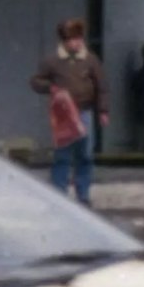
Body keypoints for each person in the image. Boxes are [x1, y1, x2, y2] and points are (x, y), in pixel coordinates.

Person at [31, 18, 108, 206]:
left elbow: (102, 86)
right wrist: (51, 87)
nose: (77, 43)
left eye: (79, 39)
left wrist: (103, 110)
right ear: (64, 41)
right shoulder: (52, 61)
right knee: (62, 154)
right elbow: (36, 81)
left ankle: (83, 194)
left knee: (85, 155)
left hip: (85, 111)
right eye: (72, 39)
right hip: (63, 114)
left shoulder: (90, 60)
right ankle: (59, 193)